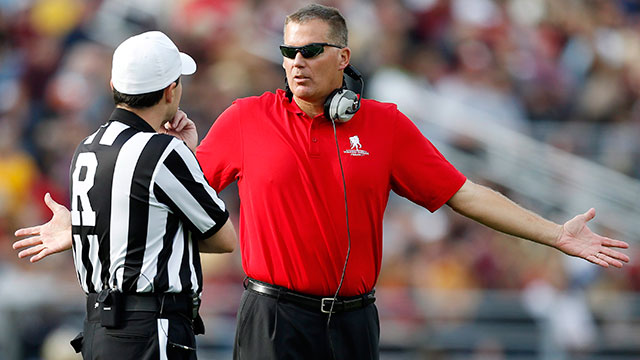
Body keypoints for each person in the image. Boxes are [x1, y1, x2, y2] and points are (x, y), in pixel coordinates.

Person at [14, 4, 629, 360]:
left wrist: (554, 234)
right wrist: (87, 227)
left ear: (343, 55)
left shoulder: (385, 125)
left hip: (356, 321)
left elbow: (463, 193)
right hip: (273, 318)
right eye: (287, 51)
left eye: (309, 51)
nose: (295, 62)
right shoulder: (245, 118)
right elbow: (171, 209)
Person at [15, 31, 237, 360]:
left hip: (98, 329)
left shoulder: (87, 147)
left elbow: (130, 225)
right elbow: (223, 238)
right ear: (170, 90)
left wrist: (77, 230)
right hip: (151, 328)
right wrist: (188, 154)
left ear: (114, 87)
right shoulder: (162, 151)